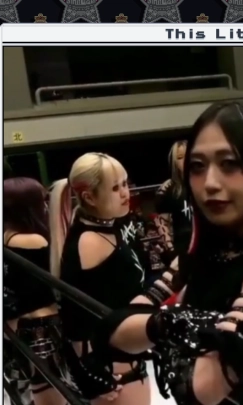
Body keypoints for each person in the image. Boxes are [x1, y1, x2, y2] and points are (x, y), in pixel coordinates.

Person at [91, 101, 243, 405]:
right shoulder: (207, 253)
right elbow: (113, 331)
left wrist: (165, 324)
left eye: (230, 163)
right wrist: (175, 324)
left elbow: (199, 388)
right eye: (198, 166)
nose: (209, 183)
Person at [48, 153, 152, 405]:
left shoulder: (104, 228)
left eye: (125, 183)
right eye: (116, 188)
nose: (126, 193)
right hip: (114, 366)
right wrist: (87, 369)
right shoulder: (90, 241)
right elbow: (76, 317)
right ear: (89, 197)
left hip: (123, 355)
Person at [3, 177, 77, 405]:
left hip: (18, 328)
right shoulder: (33, 240)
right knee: (52, 396)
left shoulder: (6, 238)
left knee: (30, 395)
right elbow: (59, 273)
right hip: (41, 328)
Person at [155, 140, 193, 261]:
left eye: (188, 155)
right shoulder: (168, 188)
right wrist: (170, 249)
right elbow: (161, 222)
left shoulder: (203, 183)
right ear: (175, 162)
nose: (185, 161)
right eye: (180, 157)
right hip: (182, 246)